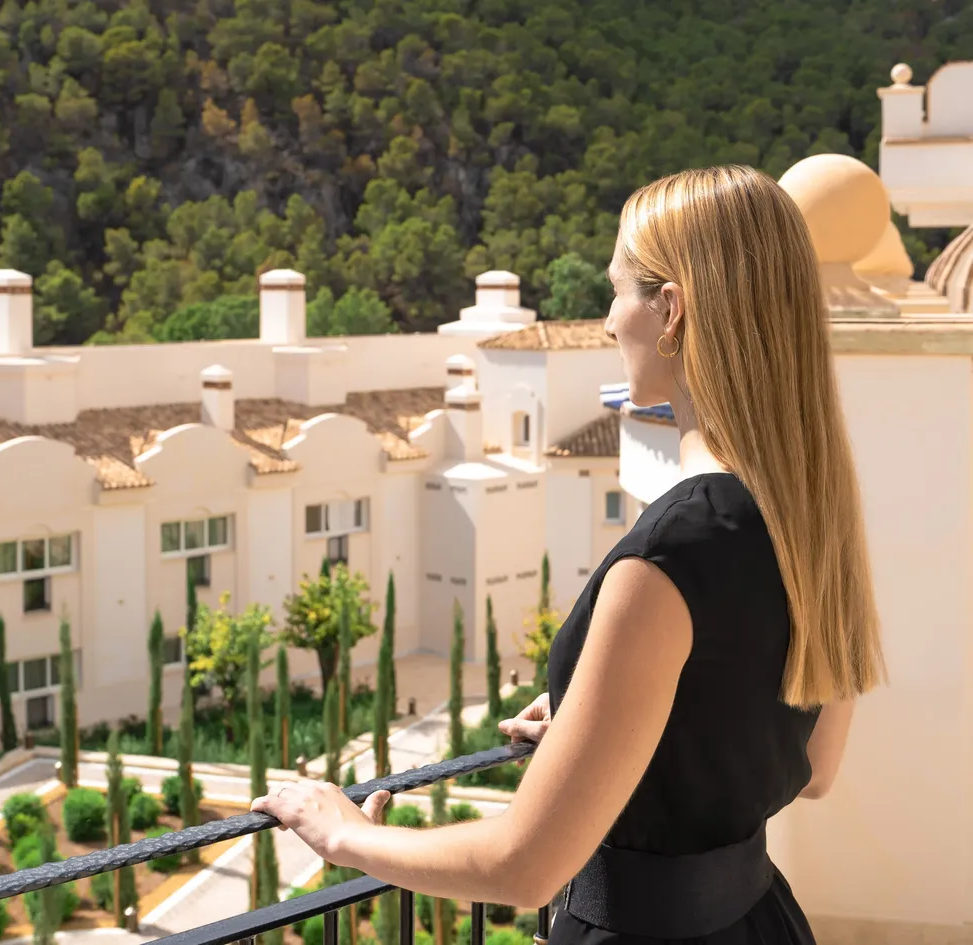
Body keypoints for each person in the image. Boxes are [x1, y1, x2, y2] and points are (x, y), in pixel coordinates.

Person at [250, 165, 887, 943]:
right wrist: (609, 716)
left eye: (617, 292)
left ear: (671, 310)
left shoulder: (668, 556)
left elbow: (525, 866)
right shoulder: (809, 514)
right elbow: (812, 764)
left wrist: (344, 833)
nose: (610, 322)